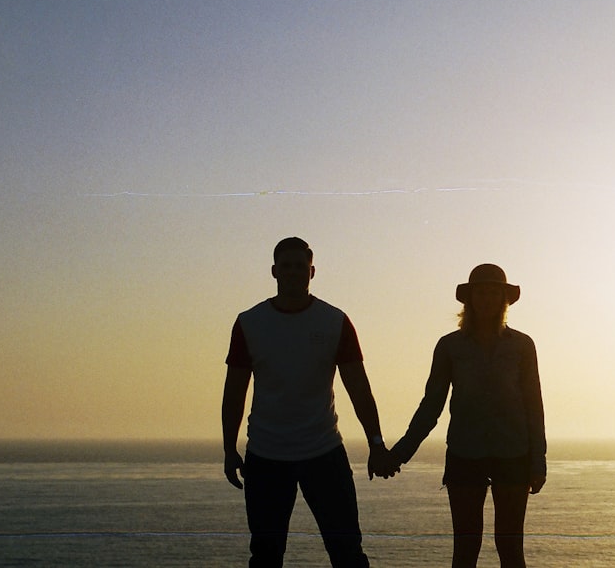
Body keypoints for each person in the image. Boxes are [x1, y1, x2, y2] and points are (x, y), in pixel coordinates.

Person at [222, 237, 398, 568]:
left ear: (312, 271)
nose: (292, 273)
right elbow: (234, 391)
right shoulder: (249, 322)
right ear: (274, 271)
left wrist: (376, 443)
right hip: (266, 455)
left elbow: (359, 388)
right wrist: (229, 448)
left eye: (299, 266)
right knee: (265, 556)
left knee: (347, 553)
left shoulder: (335, 321)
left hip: (323, 452)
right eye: (285, 266)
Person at [388, 264, 547, 568]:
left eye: (493, 293)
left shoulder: (523, 346)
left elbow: (533, 405)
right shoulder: (449, 346)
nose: (487, 299)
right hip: (465, 453)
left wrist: (538, 460)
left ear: (504, 299)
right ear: (469, 299)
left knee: (511, 547)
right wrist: (400, 453)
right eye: (481, 293)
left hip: (513, 454)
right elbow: (431, 405)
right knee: (465, 548)